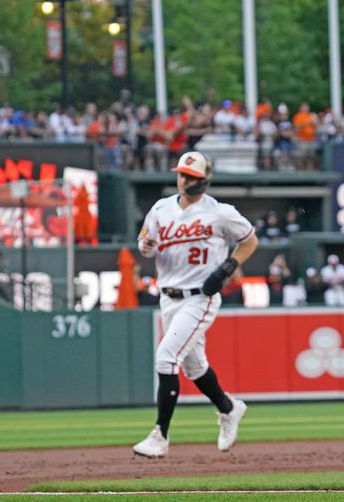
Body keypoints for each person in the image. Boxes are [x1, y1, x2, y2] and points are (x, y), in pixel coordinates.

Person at [133, 151, 259, 458]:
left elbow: (250, 240)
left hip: (200, 296)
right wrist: (145, 245)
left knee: (166, 356)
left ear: (203, 180)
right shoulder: (162, 208)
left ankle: (160, 435)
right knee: (194, 366)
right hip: (168, 296)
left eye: (190, 176)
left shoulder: (219, 212)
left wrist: (227, 268)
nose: (184, 180)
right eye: (181, 174)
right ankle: (229, 408)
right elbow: (145, 241)